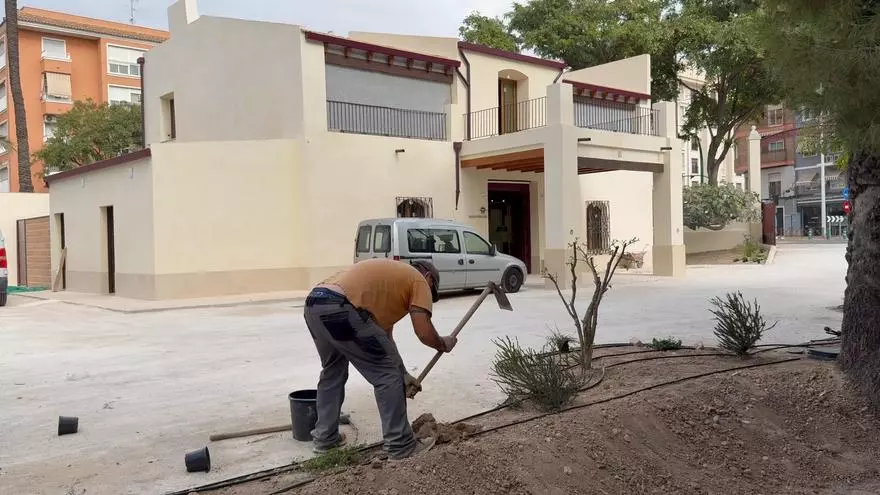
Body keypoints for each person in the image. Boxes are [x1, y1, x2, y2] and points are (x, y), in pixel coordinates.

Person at [303, 258, 457, 460]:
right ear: (428, 277)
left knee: (333, 371)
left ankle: (325, 440)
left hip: (315, 303)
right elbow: (423, 332)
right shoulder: (418, 280)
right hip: (342, 307)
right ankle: (400, 445)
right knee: (386, 376)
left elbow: (385, 342)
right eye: (431, 290)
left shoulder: (389, 284)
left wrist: (403, 373)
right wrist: (442, 344)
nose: (428, 295)